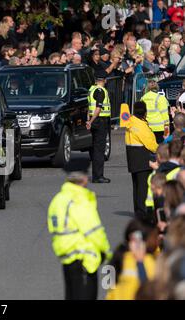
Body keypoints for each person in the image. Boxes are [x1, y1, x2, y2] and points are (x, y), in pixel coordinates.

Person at [47, 170, 112, 300]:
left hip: (66, 257)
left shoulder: (58, 199)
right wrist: (107, 252)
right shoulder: (79, 199)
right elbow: (93, 230)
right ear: (84, 179)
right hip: (85, 259)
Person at [125, 101, 158, 221]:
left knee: (136, 186)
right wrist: (159, 149)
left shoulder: (130, 121)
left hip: (132, 157)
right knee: (143, 187)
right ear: (144, 112)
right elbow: (150, 144)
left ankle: (138, 210)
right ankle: (142, 212)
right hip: (142, 158)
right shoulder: (141, 125)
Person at [87, 71, 111, 183]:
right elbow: (98, 108)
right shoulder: (100, 91)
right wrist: (91, 121)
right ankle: (98, 176)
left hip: (95, 120)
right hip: (100, 120)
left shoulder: (91, 89)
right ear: (104, 81)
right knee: (99, 150)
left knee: (96, 148)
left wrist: (89, 120)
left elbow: (89, 107)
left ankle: (97, 175)